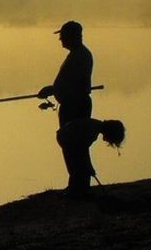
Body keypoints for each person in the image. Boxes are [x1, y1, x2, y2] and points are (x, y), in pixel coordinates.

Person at [38, 20, 95, 189]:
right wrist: (54, 89)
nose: (60, 40)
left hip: (75, 106)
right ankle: (76, 184)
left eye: (63, 36)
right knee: (71, 144)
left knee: (75, 144)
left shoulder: (80, 56)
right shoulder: (77, 55)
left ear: (73, 36)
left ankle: (79, 185)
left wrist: (52, 89)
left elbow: (75, 84)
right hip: (72, 104)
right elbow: (69, 83)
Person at [56, 118, 126, 196]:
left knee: (76, 168)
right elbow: (83, 150)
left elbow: (83, 150)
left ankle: (77, 189)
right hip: (69, 139)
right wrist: (89, 166)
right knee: (77, 168)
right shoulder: (93, 130)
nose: (107, 141)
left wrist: (88, 166)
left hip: (65, 136)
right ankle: (77, 191)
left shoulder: (94, 126)